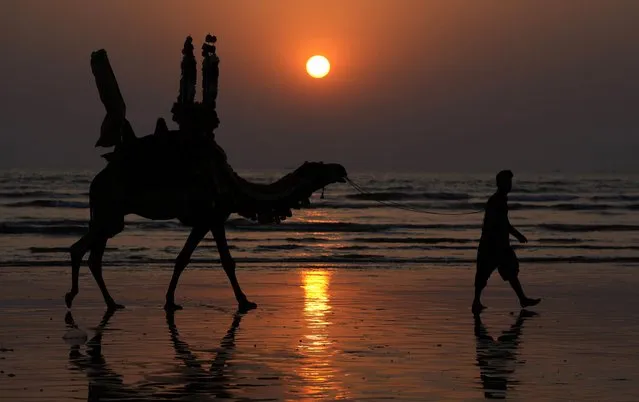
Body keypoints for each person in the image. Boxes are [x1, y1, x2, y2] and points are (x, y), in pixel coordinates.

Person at [472, 170, 540, 315]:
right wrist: (517, 235)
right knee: (484, 274)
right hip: (493, 245)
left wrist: (516, 235)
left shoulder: (500, 199)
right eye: (507, 182)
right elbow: (499, 223)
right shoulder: (497, 200)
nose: (509, 185)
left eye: (510, 182)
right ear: (500, 184)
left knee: (508, 271)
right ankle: (476, 302)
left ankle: (522, 298)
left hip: (498, 244)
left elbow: (504, 223)